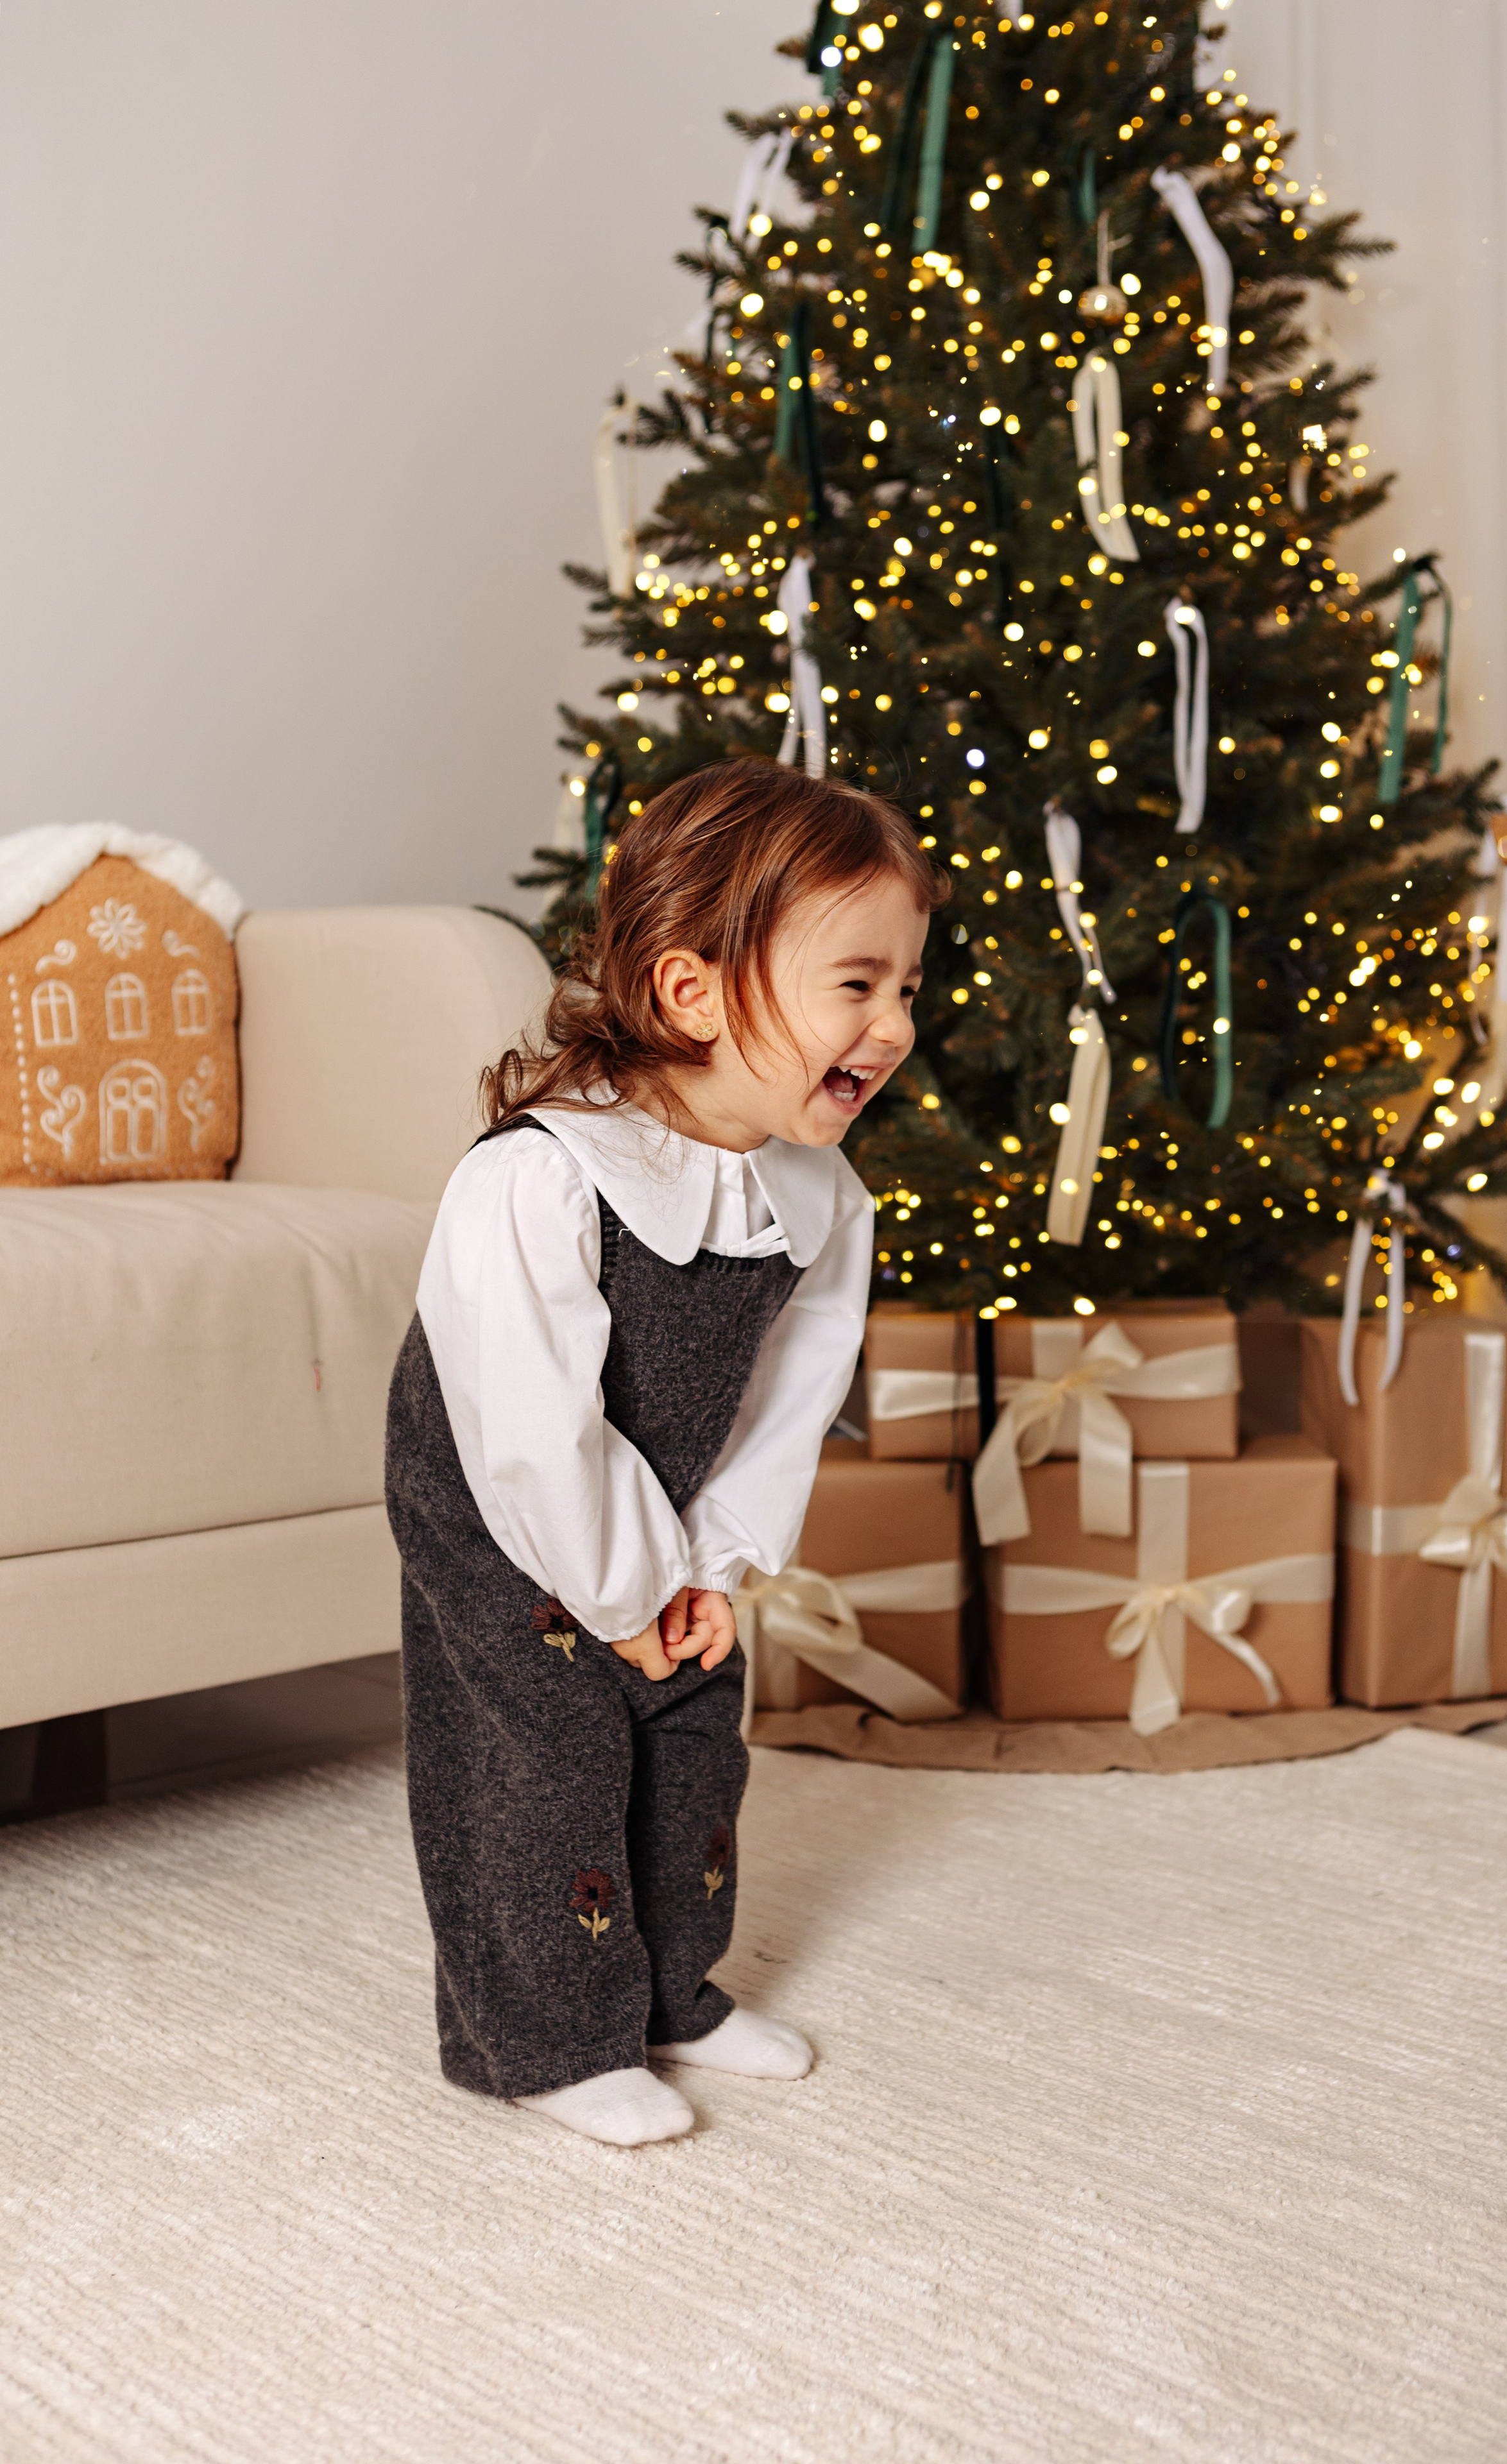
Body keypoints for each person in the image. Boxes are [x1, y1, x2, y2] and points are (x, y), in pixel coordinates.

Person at [386, 758, 943, 2145]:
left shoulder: (821, 1193)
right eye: (856, 984)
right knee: (549, 1747)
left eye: (908, 988)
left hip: (667, 1499)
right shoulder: (538, 1179)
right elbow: (532, 1436)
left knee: (694, 1731)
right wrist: (619, 1590)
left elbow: (791, 1398)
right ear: (693, 992)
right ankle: (547, 2037)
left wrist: (711, 1566)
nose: (893, 1027)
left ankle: (670, 1995)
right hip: (501, 1506)